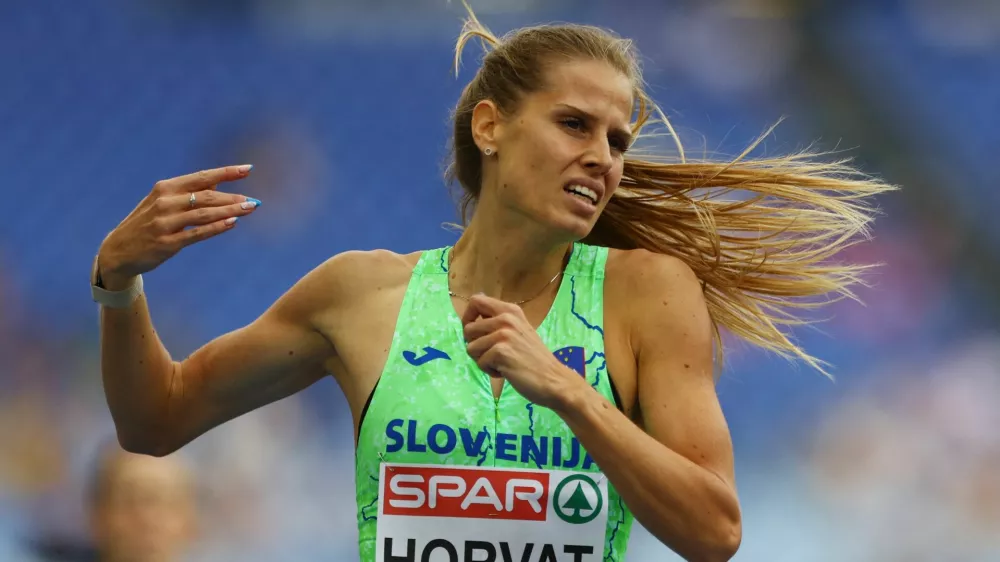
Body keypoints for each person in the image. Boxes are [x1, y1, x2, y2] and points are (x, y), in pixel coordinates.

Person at [90, 5, 894, 561]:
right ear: (490, 127)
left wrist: (572, 394)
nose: (602, 158)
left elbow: (715, 532)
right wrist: (119, 285)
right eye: (574, 124)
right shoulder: (361, 297)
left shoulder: (645, 294)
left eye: (618, 141)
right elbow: (156, 419)